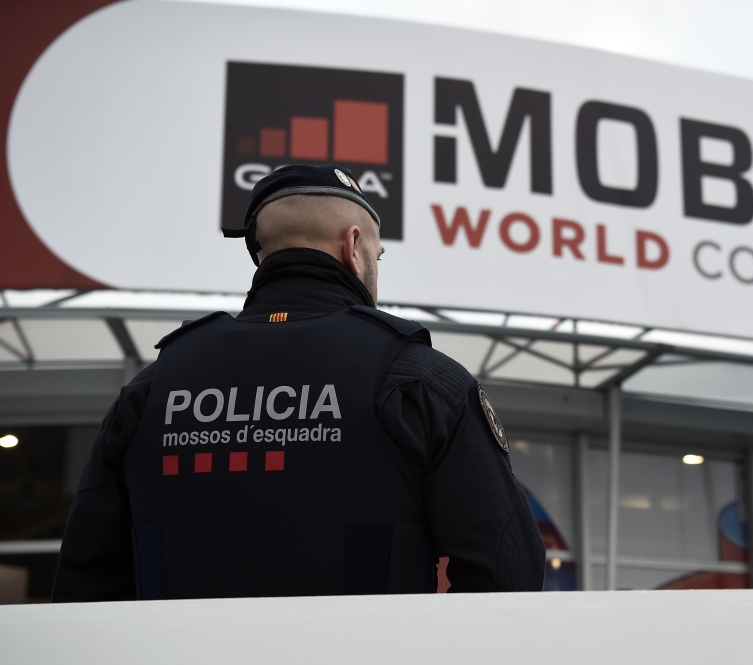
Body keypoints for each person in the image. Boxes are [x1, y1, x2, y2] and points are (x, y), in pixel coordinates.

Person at [52, 164, 545, 601]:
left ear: (260, 254)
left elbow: (85, 585)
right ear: (354, 247)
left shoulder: (151, 389)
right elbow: (505, 574)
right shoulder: (421, 382)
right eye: (378, 256)